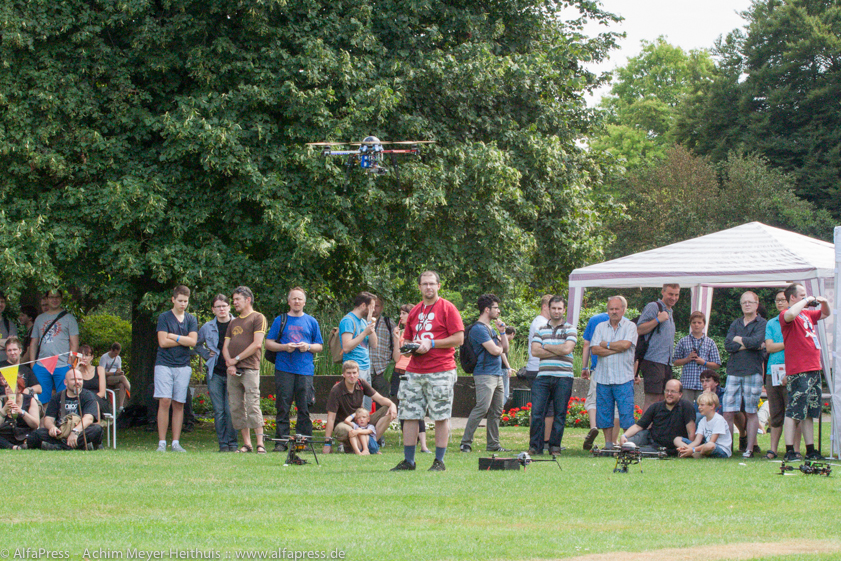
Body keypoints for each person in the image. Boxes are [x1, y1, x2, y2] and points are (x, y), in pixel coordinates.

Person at [391, 270, 464, 472]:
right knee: (410, 414)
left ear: (439, 286)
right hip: (414, 369)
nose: (428, 287)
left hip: (441, 369)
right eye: (425, 284)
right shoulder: (415, 311)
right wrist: (410, 346)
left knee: (440, 415)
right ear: (420, 287)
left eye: (432, 283)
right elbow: (408, 338)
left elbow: (459, 339)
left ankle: (439, 461)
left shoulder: (448, 308)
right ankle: (409, 461)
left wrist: (431, 343)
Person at [265, 287, 324, 451]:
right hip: (284, 368)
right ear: (289, 301)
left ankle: (302, 442)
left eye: (300, 299)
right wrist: (285, 347)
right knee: (283, 406)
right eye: (294, 299)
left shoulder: (311, 322)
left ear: (304, 302)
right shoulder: (280, 320)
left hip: (305, 370)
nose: (297, 302)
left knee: (304, 407)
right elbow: (268, 343)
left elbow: (319, 346)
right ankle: (281, 442)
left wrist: (308, 346)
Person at [780, 283, 830, 462]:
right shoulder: (786, 315)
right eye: (801, 295)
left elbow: (825, 313)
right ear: (792, 298)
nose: (806, 297)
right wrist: (807, 300)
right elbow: (791, 314)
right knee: (794, 410)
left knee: (809, 411)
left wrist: (823, 302)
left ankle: (811, 449)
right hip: (799, 370)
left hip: (814, 368)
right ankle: (789, 450)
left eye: (806, 295)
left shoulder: (807, 314)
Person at [460, 294, 510, 453]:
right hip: (484, 374)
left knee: (496, 411)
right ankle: (465, 443)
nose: (498, 311)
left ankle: (493, 444)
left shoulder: (491, 329)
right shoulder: (478, 329)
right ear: (487, 309)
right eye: (495, 307)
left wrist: (502, 333)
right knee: (482, 407)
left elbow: (505, 349)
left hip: (497, 374)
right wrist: (499, 347)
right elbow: (495, 350)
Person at [528, 295, 576, 455]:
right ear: (548, 308)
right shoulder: (540, 329)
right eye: (553, 308)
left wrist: (546, 346)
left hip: (564, 377)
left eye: (559, 308)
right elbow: (535, 351)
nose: (556, 311)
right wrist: (558, 348)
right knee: (537, 413)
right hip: (543, 377)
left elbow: (567, 349)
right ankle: (535, 446)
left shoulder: (570, 328)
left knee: (560, 412)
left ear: (564, 310)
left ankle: (555, 446)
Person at [222, 286, 267, 454]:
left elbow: (256, 344)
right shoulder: (233, 322)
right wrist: (230, 363)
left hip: (250, 369)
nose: (234, 303)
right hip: (233, 371)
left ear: (248, 300)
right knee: (236, 407)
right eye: (233, 300)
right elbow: (225, 346)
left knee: (253, 405)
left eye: (237, 300)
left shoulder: (258, 317)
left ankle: (260, 443)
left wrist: (237, 359)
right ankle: (247, 444)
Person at [590, 296, 638, 450]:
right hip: (603, 377)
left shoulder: (630, 326)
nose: (614, 312)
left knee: (626, 413)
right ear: (607, 310)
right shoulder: (600, 327)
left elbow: (626, 344)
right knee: (604, 413)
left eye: (617, 309)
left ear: (623, 310)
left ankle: (627, 444)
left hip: (624, 377)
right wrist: (615, 349)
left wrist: (607, 345)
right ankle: (608, 444)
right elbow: (595, 349)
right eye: (611, 309)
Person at [154, 285, 198, 453]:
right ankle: (162, 443)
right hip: (164, 364)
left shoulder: (191, 319)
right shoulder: (164, 317)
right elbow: (162, 342)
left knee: (179, 403)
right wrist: (183, 339)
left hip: (183, 366)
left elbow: (193, 342)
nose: (183, 304)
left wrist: (173, 336)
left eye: (185, 301)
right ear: (173, 299)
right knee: (164, 401)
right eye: (180, 301)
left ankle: (176, 442)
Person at [723, 291, 767, 458]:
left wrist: (739, 340)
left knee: (750, 411)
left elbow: (758, 342)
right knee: (728, 411)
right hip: (733, 371)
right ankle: (727, 448)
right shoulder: (735, 323)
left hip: (753, 371)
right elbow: (728, 345)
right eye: (744, 302)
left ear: (757, 304)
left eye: (750, 302)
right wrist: (749, 343)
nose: (747, 305)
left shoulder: (762, 323)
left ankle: (749, 449)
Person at [324, 361, 397, 455]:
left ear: (358, 374)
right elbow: (331, 418)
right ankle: (364, 448)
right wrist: (327, 444)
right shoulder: (336, 390)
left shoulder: (361, 383)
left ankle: (370, 445)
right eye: (349, 373)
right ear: (343, 374)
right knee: (343, 429)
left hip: (361, 420)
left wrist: (392, 405)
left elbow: (381, 399)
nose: (352, 376)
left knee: (388, 409)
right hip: (345, 423)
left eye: (354, 373)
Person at [195, 294, 238, 452]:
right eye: (218, 306)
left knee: (230, 410)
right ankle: (223, 444)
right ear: (213, 309)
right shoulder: (207, 327)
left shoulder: (237, 324)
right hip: (215, 373)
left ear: (229, 307)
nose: (221, 309)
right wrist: (207, 355)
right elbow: (197, 344)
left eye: (224, 305)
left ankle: (233, 443)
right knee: (219, 411)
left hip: (233, 372)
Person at [27, 368, 103, 450]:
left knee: (97, 430)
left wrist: (75, 432)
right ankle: (78, 446)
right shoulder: (57, 397)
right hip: (61, 433)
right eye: (73, 379)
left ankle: (58, 447)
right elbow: (48, 419)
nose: (77, 382)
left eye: (80, 379)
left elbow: (89, 418)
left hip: (80, 431)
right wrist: (52, 428)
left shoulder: (88, 396)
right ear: (66, 382)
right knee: (35, 435)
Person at [764, 290, 800, 460]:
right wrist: (787, 343)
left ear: (790, 301)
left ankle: (795, 449)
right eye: (777, 300)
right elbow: (769, 347)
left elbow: (799, 345)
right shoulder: (771, 323)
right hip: (773, 371)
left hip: (792, 370)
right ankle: (773, 449)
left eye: (783, 300)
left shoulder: (796, 320)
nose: (779, 303)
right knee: (775, 411)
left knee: (793, 412)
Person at [391, 304, 431, 454]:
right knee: (403, 409)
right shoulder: (402, 334)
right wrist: (396, 340)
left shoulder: (418, 333)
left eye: (404, 313)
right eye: (400, 313)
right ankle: (410, 443)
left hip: (413, 373)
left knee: (417, 408)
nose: (401, 316)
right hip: (399, 372)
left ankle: (423, 445)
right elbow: (396, 358)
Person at [636, 284, 680, 413]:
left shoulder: (670, 311)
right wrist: (658, 319)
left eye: (676, 295)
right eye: (670, 294)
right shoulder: (654, 307)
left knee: (663, 399)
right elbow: (639, 329)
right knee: (652, 399)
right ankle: (644, 431)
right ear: (663, 292)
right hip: (653, 360)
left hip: (666, 363)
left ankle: (657, 430)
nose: (673, 297)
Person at [621, 379, 696, 454]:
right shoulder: (656, 406)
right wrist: (624, 435)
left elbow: (691, 432)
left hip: (668, 448)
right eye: (667, 391)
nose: (669, 394)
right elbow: (638, 426)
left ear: (680, 394)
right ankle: (620, 449)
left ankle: (628, 451)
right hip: (651, 439)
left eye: (673, 391)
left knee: (634, 452)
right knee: (627, 444)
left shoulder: (686, 406)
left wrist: (690, 450)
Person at [30, 290, 80, 403]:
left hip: (63, 365)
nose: (54, 300)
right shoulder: (39, 318)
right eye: (51, 297)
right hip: (41, 365)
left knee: (63, 398)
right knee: (41, 400)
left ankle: (61, 420)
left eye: (57, 297)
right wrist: (33, 363)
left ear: (61, 298)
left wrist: (70, 363)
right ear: (47, 299)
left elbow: (75, 343)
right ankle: (43, 421)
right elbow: (33, 342)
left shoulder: (69, 318)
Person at [525, 294, 554, 450]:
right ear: (544, 307)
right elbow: (541, 348)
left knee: (543, 407)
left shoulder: (542, 322)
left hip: (539, 369)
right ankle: (543, 441)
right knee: (543, 409)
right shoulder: (540, 324)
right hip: (538, 369)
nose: (555, 311)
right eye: (552, 307)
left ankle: (540, 441)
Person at [340, 292, 378, 410]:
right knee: (357, 405)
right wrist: (364, 333)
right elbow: (346, 347)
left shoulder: (363, 321)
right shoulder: (348, 321)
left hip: (366, 367)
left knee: (366, 406)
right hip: (354, 368)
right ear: (363, 306)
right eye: (371, 306)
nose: (374, 310)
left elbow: (374, 344)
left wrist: (370, 324)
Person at [673, 312, 722, 403]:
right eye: (694, 322)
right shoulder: (683, 341)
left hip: (704, 385)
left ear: (704, 325)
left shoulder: (710, 343)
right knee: (686, 410)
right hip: (687, 383)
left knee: (703, 410)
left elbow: (717, 364)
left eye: (699, 323)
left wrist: (704, 362)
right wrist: (687, 359)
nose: (696, 325)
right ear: (690, 324)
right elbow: (675, 362)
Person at [581, 310, 610, 450]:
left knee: (593, 399)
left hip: (597, 367)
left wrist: (584, 366)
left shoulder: (594, 319)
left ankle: (593, 427)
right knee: (613, 403)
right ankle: (612, 440)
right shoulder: (626, 322)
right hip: (619, 370)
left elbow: (587, 344)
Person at [677, 391, 732, 459]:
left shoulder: (719, 420)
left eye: (702, 405)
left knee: (709, 445)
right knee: (677, 439)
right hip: (706, 447)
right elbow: (697, 441)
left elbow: (712, 442)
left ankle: (698, 453)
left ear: (712, 406)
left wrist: (693, 449)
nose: (699, 407)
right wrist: (687, 448)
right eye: (699, 405)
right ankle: (691, 453)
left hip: (721, 450)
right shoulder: (702, 421)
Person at [0, 376, 41, 449]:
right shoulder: (2, 400)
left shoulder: (29, 400)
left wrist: (22, 412)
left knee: (37, 435)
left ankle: (23, 445)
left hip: (25, 432)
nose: (7, 389)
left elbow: (35, 424)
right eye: (6, 386)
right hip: (8, 433)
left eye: (10, 386)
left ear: (19, 389)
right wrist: (3, 410)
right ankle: (13, 447)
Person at [370, 296, 398, 399]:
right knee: (364, 402)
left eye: (376, 306)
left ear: (382, 308)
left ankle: (381, 416)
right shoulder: (363, 322)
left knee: (383, 401)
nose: (374, 309)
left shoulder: (389, 323)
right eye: (372, 306)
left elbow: (396, 344)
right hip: (365, 367)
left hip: (383, 368)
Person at [77, 344, 109, 417]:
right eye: (82, 355)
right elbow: (73, 389)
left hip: (97, 399)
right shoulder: (76, 372)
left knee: (91, 405)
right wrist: (76, 370)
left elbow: (102, 393)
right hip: (81, 401)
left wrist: (89, 400)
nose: (84, 358)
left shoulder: (99, 369)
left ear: (92, 357)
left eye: (87, 355)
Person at [100, 342, 131, 413]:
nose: (116, 355)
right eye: (115, 353)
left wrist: (119, 372)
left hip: (116, 377)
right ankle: (131, 391)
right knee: (123, 378)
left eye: (118, 354)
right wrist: (114, 373)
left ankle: (120, 406)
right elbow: (102, 372)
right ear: (112, 350)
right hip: (108, 377)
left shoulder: (118, 358)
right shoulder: (104, 357)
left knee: (122, 384)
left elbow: (119, 369)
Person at [501, 326, 517, 406]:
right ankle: (498, 413)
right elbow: (502, 353)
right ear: (512, 334)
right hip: (503, 369)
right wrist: (508, 367)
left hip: (499, 369)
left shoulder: (500, 338)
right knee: (505, 395)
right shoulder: (503, 340)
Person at [0, 292, 18, 363]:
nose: (0, 304)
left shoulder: (9, 324)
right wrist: (5, 342)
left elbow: (13, 344)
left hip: (6, 366)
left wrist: (8, 344)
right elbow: (9, 343)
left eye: (2, 302)